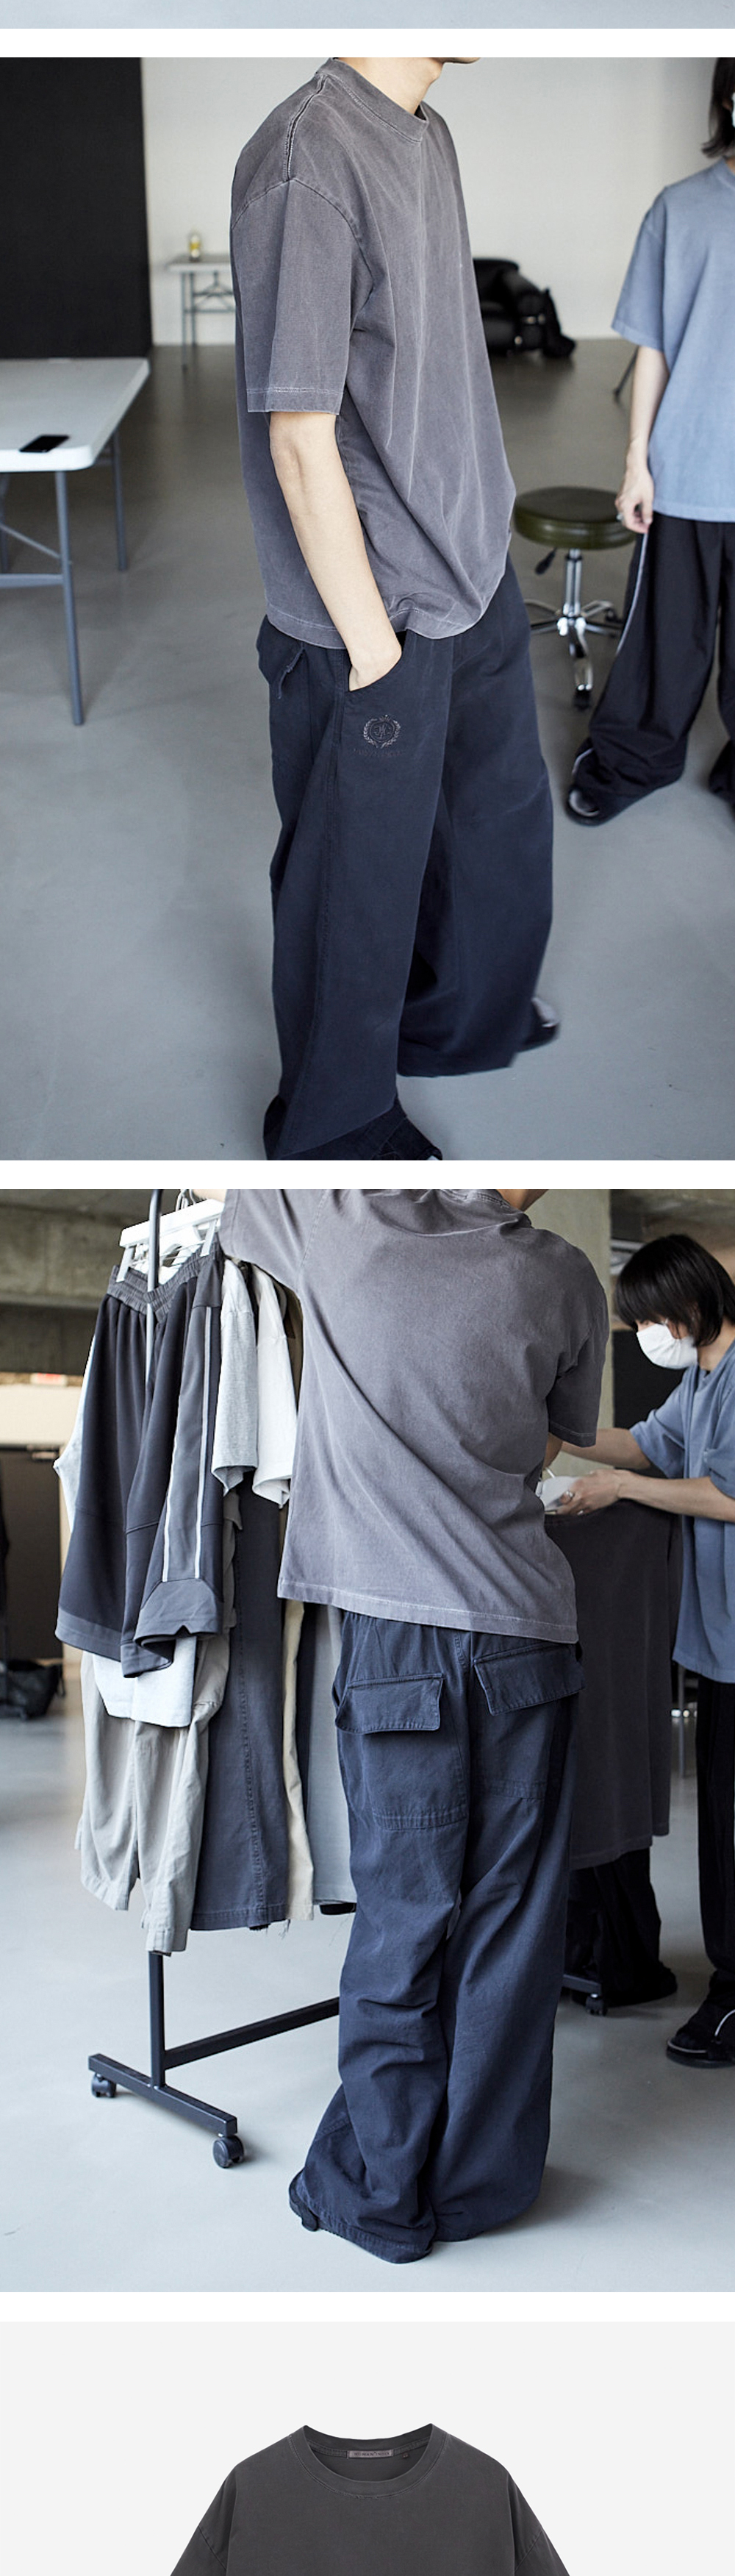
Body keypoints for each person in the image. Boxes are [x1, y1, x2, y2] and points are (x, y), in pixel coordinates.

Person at [217, 1185, 608, 2260]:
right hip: (528, 1630)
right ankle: (479, 2187)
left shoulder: (341, 1216)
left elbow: (215, 1177)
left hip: (400, 1637)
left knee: (405, 1914)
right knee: (511, 1926)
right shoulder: (566, 1274)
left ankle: (382, 2193)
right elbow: (545, 1447)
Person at [229, 57, 556, 1161]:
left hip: (470, 565)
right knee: (355, 888)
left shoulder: (426, 130)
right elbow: (297, 434)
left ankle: (462, 1020)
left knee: (495, 823)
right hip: (374, 609)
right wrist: (373, 649)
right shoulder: (306, 160)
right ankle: (336, 1120)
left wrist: (481, 532)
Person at [559, 1232, 735, 2069]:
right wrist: (554, 1427)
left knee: (729, 1831)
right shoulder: (701, 1378)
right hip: (718, 1642)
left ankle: (733, 1996)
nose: (647, 1336)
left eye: (650, 1320)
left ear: (689, 1303)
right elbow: (641, 1443)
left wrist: (621, 1488)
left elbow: (727, 1495)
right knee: (721, 1827)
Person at [567, 58, 735, 826]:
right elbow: (653, 348)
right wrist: (636, 462)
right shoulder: (679, 209)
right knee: (665, 644)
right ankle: (632, 761)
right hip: (688, 471)